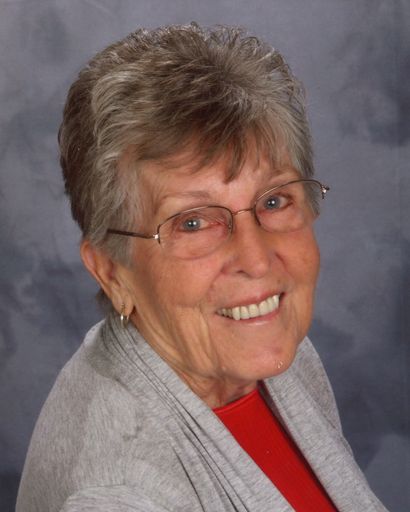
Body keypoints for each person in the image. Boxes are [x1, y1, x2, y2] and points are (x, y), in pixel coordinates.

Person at [16, 23, 388, 512]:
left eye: (274, 200)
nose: (257, 260)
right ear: (111, 272)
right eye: (192, 222)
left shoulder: (270, 348)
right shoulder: (120, 494)